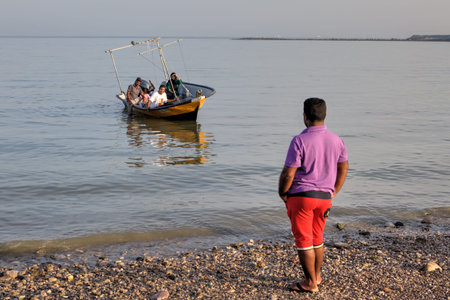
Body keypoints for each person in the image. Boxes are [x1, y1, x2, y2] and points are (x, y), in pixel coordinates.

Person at [278, 98, 349, 293]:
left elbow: (289, 173)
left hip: (302, 196)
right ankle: (316, 276)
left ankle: (310, 284)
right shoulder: (337, 140)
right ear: (324, 116)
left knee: (303, 240)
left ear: (305, 117)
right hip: (325, 198)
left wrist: (283, 192)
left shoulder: (299, 140)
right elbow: (343, 167)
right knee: (317, 238)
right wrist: (334, 191)